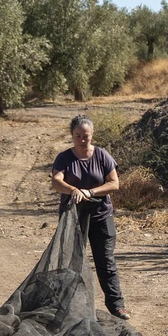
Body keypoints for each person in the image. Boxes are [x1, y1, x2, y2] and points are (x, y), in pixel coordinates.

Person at [50, 114, 130, 319]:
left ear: (92, 135)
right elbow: (56, 182)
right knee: (71, 263)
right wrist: (73, 189)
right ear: (72, 135)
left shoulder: (102, 155)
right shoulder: (64, 158)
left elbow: (114, 183)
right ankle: (68, 307)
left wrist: (91, 192)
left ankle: (117, 307)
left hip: (102, 216)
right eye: (78, 136)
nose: (82, 140)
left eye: (86, 136)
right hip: (73, 219)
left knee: (106, 262)